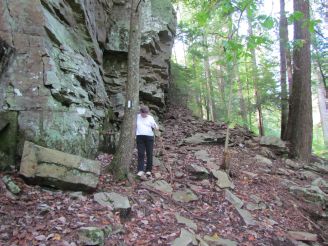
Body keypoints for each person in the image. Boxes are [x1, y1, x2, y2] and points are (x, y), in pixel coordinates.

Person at [136, 105, 159, 177]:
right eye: (144, 113)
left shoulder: (150, 118)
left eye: (146, 113)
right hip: (140, 137)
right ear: (141, 112)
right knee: (141, 153)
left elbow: (156, 127)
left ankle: (148, 170)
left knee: (149, 153)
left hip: (149, 137)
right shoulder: (137, 117)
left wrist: (155, 127)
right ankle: (140, 170)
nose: (145, 115)